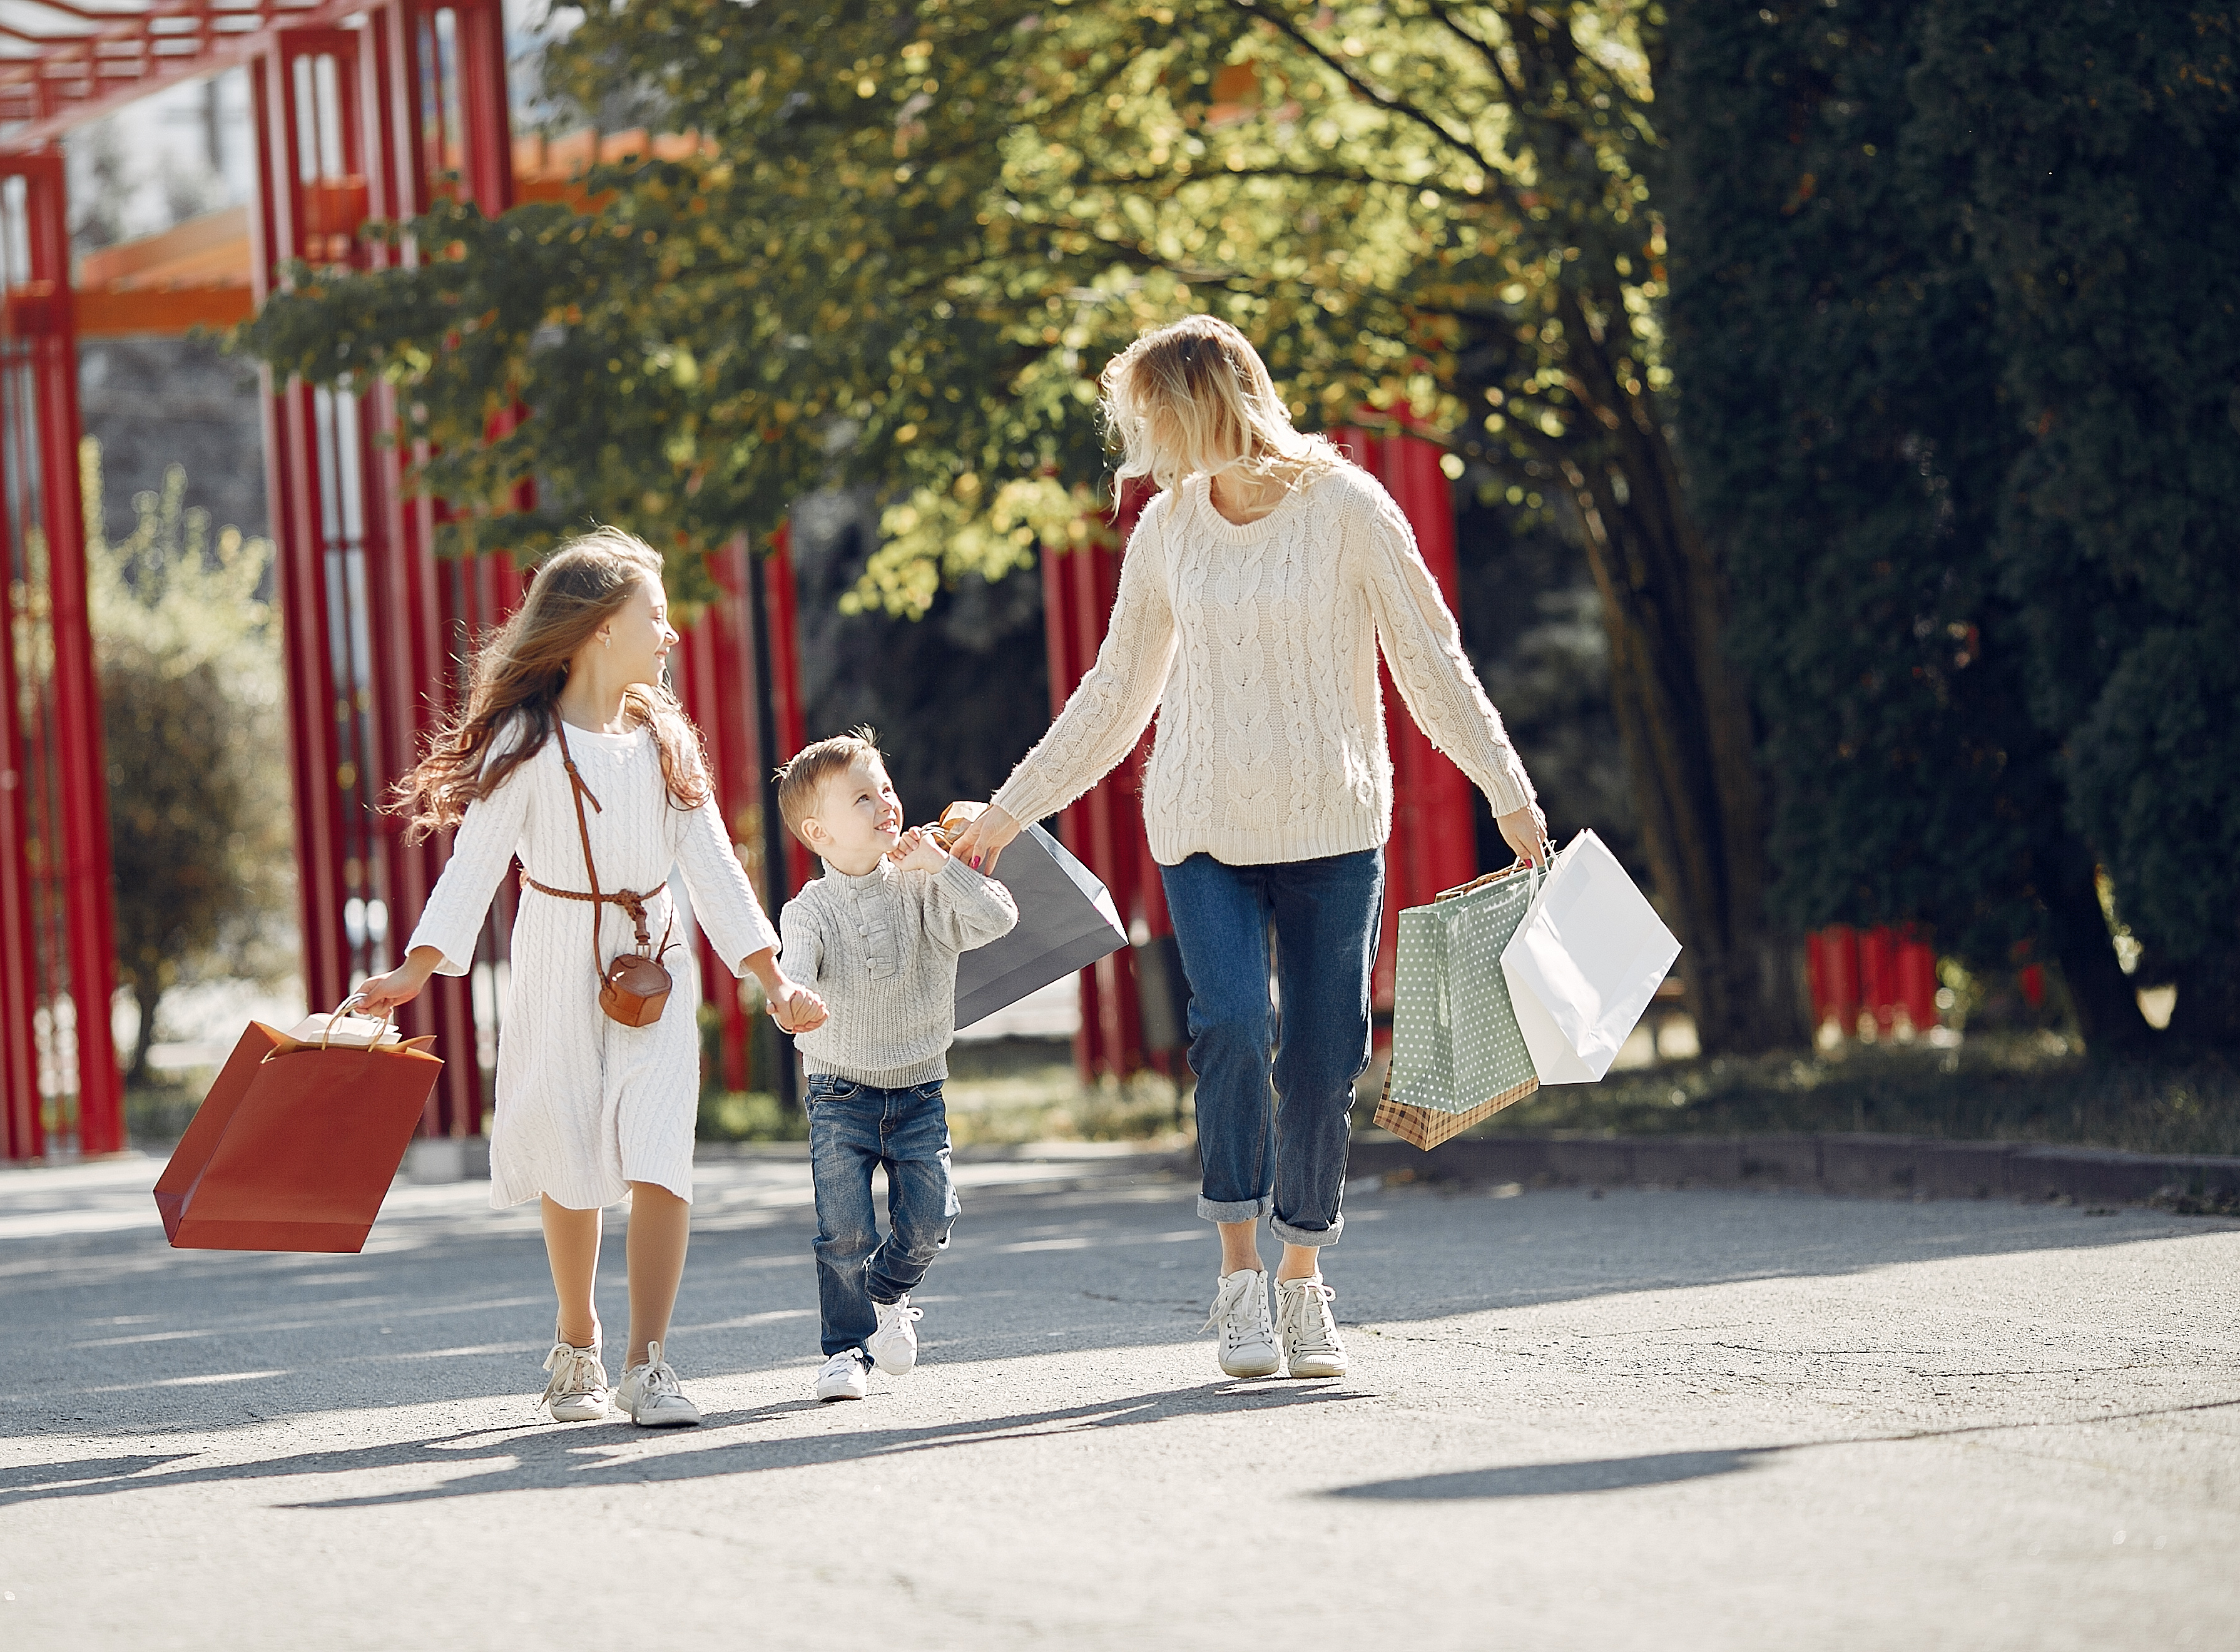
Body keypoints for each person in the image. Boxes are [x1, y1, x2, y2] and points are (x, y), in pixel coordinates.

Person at [949, 315, 1546, 1383]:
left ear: (1201, 402)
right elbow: (1115, 697)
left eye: (1153, 415)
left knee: (1322, 1057)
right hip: (1202, 827)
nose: (1144, 440)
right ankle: (1238, 1281)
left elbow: (1430, 660)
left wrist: (1506, 787)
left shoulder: (1349, 509)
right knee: (1233, 1024)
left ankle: (1305, 1277)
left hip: (1332, 825)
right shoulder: (1168, 530)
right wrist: (1009, 809)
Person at [350, 530, 827, 1428]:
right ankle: (580, 1346)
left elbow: (715, 866)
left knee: (660, 1154)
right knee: (569, 1147)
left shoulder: (664, 736)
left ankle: (650, 1365)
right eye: (654, 613)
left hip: (658, 958)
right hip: (556, 951)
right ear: (602, 628)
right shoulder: (526, 744)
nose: (670, 633)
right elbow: (475, 866)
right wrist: (414, 970)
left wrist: (772, 979)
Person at [770, 729, 1018, 1403]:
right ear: (819, 832)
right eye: (862, 797)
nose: (885, 802)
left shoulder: (922, 882)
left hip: (919, 1087)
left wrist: (943, 867)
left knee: (933, 1220)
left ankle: (885, 1294)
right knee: (844, 1231)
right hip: (838, 1091)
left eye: (886, 787)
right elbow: (791, 971)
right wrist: (792, 1001)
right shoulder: (809, 909)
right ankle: (845, 1351)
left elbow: (1000, 916)